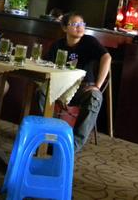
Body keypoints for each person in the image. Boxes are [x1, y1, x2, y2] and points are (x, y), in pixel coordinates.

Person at [43, 11, 111, 152]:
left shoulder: (89, 41)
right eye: (74, 24)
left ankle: (71, 147)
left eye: (82, 24)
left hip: (83, 89)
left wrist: (97, 86)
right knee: (42, 92)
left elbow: (107, 57)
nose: (79, 27)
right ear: (64, 28)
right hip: (60, 86)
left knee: (95, 97)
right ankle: (48, 137)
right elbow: (47, 66)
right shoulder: (57, 45)